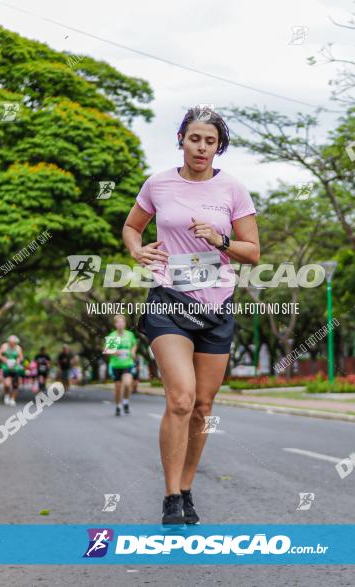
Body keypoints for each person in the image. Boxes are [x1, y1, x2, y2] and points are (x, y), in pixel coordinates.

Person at [122, 105, 259, 525]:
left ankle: (186, 488)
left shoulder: (233, 190)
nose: (201, 147)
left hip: (217, 305)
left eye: (210, 141)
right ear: (181, 139)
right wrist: (136, 250)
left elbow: (252, 253)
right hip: (169, 301)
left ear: (220, 147)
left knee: (202, 406)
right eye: (194, 138)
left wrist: (220, 239)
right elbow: (132, 226)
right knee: (180, 398)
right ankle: (169, 497)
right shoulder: (158, 184)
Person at [102, 315, 137, 417]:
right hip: (116, 365)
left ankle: (125, 401)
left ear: (125, 324)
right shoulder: (113, 336)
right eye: (118, 322)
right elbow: (108, 351)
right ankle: (118, 406)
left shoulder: (129, 335)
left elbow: (134, 344)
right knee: (117, 388)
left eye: (122, 322)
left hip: (128, 363)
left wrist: (133, 351)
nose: (120, 324)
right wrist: (116, 352)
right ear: (115, 324)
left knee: (127, 384)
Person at [0, 335, 25, 405]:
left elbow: (21, 357)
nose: (12, 344)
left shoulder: (18, 348)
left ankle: (12, 399)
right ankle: (7, 395)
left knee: (15, 385)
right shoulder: (4, 346)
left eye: (14, 342)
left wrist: (18, 360)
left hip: (15, 368)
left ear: (16, 342)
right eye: (11, 342)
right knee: (7, 385)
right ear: (9, 342)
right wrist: (4, 359)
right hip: (6, 368)